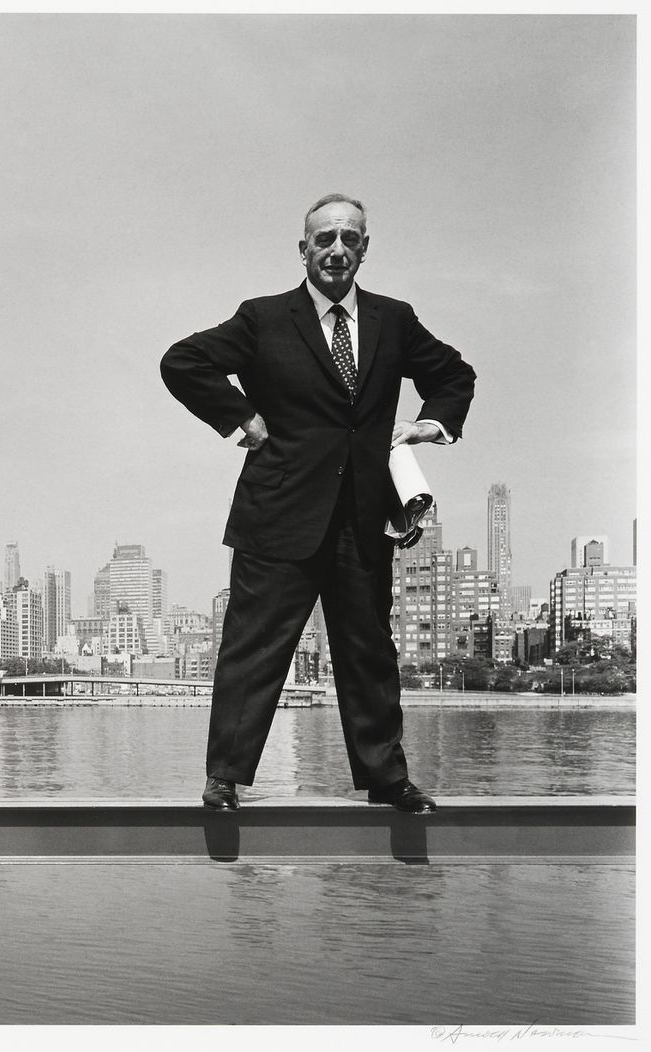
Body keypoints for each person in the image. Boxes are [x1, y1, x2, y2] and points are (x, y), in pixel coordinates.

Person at [159, 194, 475, 814]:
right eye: (324, 238)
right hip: (277, 513)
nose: (337, 249)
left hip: (362, 517)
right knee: (253, 650)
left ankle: (387, 778)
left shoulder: (394, 320)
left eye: (349, 238)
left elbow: (454, 374)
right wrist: (242, 419)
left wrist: (427, 425)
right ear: (303, 249)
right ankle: (225, 778)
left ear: (364, 249)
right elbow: (183, 362)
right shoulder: (263, 319)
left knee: (368, 651)